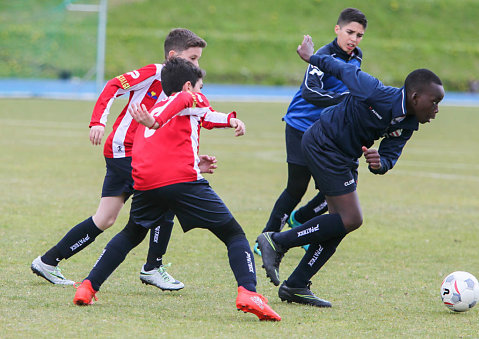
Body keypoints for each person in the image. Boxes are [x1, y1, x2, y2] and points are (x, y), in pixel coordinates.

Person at [72, 58, 281, 321]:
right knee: (234, 234)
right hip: (181, 181)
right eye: (200, 87)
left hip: (147, 183)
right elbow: (182, 104)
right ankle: (249, 293)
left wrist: (229, 121)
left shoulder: (160, 106)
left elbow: (202, 119)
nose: (202, 94)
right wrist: (155, 121)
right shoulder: (179, 102)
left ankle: (88, 286)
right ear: (187, 86)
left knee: (131, 234)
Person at [257, 34, 445, 307]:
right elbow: (344, 69)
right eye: (435, 102)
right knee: (351, 218)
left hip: (344, 156)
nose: (437, 109)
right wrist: (312, 58)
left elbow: (391, 153)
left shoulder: (410, 123)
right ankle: (277, 241)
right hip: (323, 142)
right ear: (415, 97)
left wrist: (381, 162)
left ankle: (295, 285)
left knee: (340, 223)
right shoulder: (375, 92)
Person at [31, 28, 214, 291]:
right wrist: (97, 121)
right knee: (168, 195)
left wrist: (193, 161)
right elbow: (114, 84)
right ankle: (152, 267)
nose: (197, 65)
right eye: (193, 58)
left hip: (138, 154)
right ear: (173, 55)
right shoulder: (155, 72)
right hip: (126, 150)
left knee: (104, 218)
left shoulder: (182, 88)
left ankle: (48, 261)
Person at [256, 8, 368, 256]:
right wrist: (345, 99)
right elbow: (310, 92)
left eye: (359, 35)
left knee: (339, 187)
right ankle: (267, 236)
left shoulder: (356, 57)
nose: (354, 39)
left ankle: (302, 218)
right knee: (296, 187)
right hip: (300, 126)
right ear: (337, 29)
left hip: (326, 133)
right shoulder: (322, 56)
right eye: (350, 32)